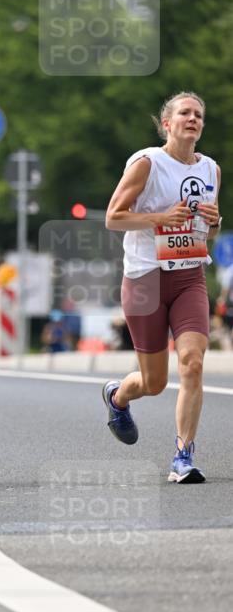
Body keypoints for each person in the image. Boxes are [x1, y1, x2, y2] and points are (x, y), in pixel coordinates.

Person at [103, 92, 222, 483]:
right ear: (167, 124)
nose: (193, 119)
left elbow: (209, 230)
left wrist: (214, 221)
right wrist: (160, 218)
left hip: (189, 276)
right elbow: (114, 217)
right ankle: (118, 397)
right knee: (153, 383)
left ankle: (182, 457)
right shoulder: (147, 163)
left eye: (199, 115)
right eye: (185, 113)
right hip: (145, 280)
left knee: (193, 363)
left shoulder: (211, 170)